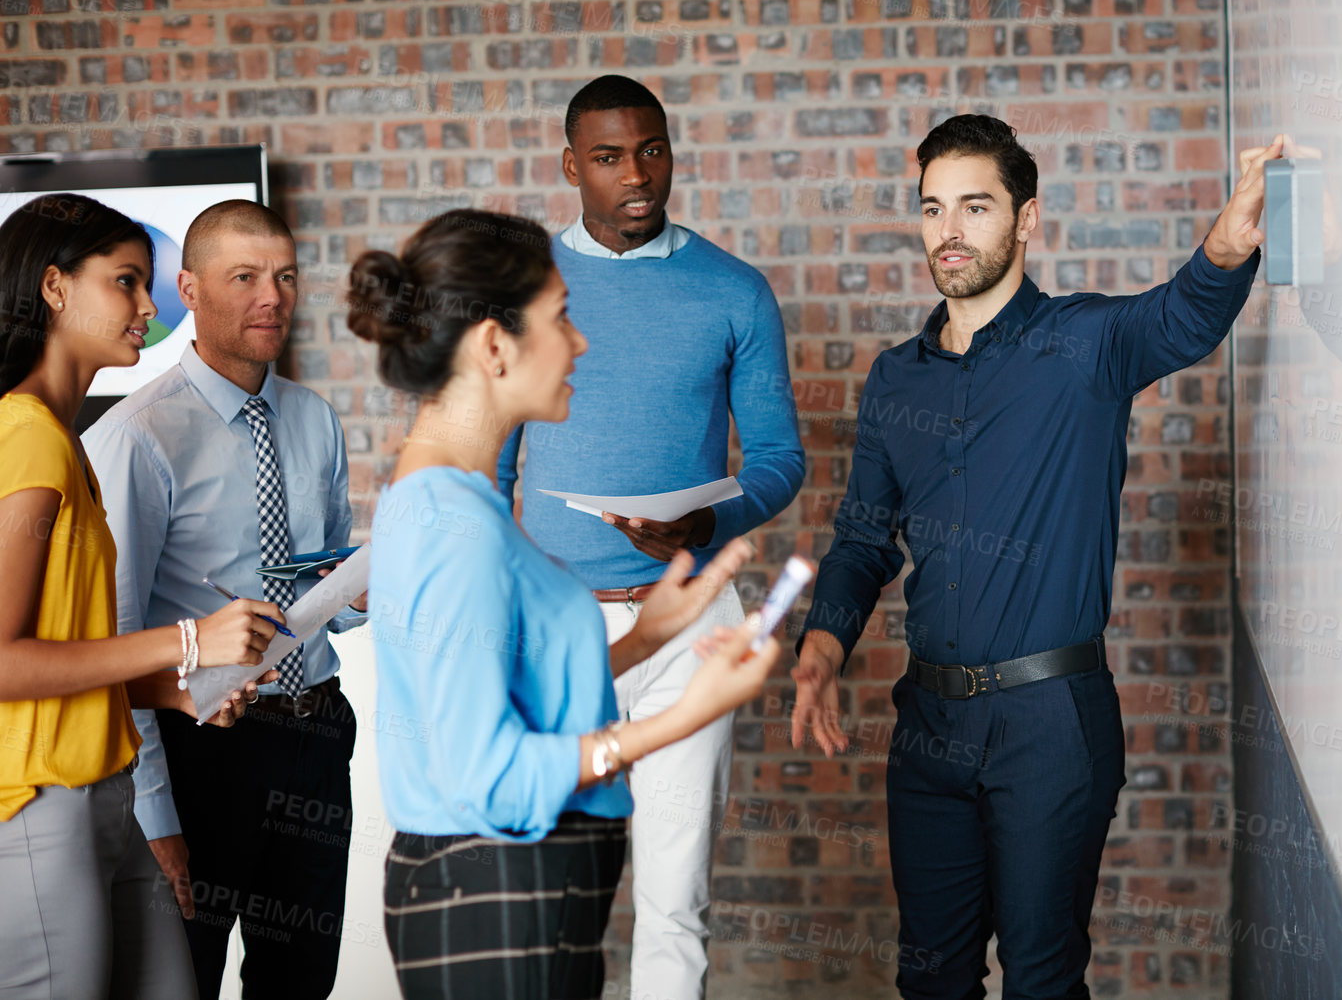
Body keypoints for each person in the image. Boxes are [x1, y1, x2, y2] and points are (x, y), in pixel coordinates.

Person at [790, 117, 1284, 1000]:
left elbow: (1182, 314)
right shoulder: (893, 379)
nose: (951, 231)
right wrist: (823, 646)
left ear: (1024, 220)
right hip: (928, 729)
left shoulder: (1084, 344)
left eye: (975, 207)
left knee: (1041, 983)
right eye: (934, 208)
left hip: (1051, 725)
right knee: (930, 983)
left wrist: (1230, 239)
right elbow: (864, 537)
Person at [348, 208, 781, 1000]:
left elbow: (504, 692)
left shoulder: (451, 504)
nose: (580, 343)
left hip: (508, 904)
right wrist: (680, 718)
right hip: (491, 909)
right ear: (492, 344)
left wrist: (647, 639)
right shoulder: (452, 524)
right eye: (561, 318)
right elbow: (491, 776)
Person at [495, 74, 805, 1000]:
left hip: (689, 627)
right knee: (550, 899)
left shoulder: (734, 293)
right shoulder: (522, 292)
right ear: (569, 166)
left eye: (652, 151)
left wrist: (707, 521)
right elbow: (486, 467)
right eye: (607, 157)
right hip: (555, 630)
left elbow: (781, 459)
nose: (636, 175)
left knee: (675, 899)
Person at [85, 199, 368, 1000]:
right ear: (189, 289)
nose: (270, 297)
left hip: (315, 735)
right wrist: (155, 815)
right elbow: (116, 637)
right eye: (243, 277)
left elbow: (324, 585)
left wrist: (359, 595)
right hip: (201, 749)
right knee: (184, 981)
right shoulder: (137, 436)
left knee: (299, 983)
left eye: (283, 276)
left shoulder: (314, 419)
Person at [0, 193, 279, 1000]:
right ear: (55, 287)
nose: (150, 308)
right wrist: (189, 642)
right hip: (38, 807)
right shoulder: (24, 437)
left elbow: (63, 651)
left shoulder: (62, 441)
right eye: (126, 282)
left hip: (105, 794)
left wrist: (176, 692)